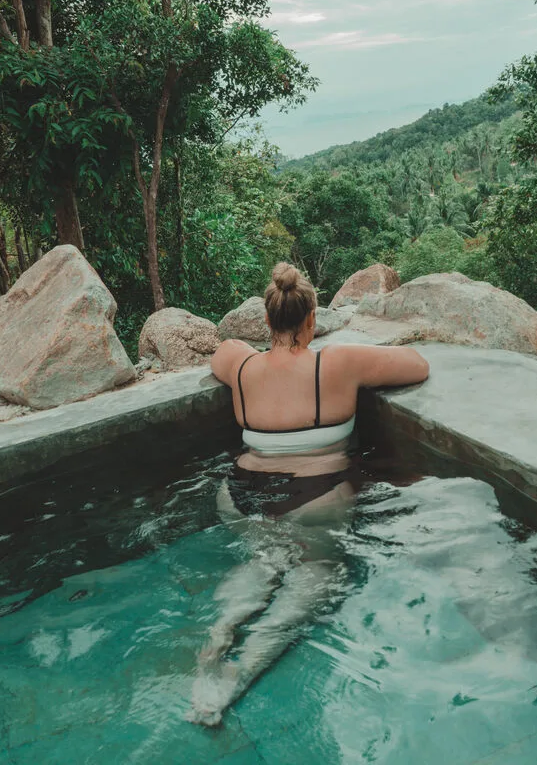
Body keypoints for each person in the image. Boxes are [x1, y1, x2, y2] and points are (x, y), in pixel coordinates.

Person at [188, 262, 430, 726]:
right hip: (314, 499)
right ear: (312, 319)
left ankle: (218, 637)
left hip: (239, 495)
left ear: (267, 320)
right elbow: (418, 365)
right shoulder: (335, 362)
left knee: (262, 559)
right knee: (317, 569)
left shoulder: (241, 364)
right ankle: (243, 670)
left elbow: (221, 354)